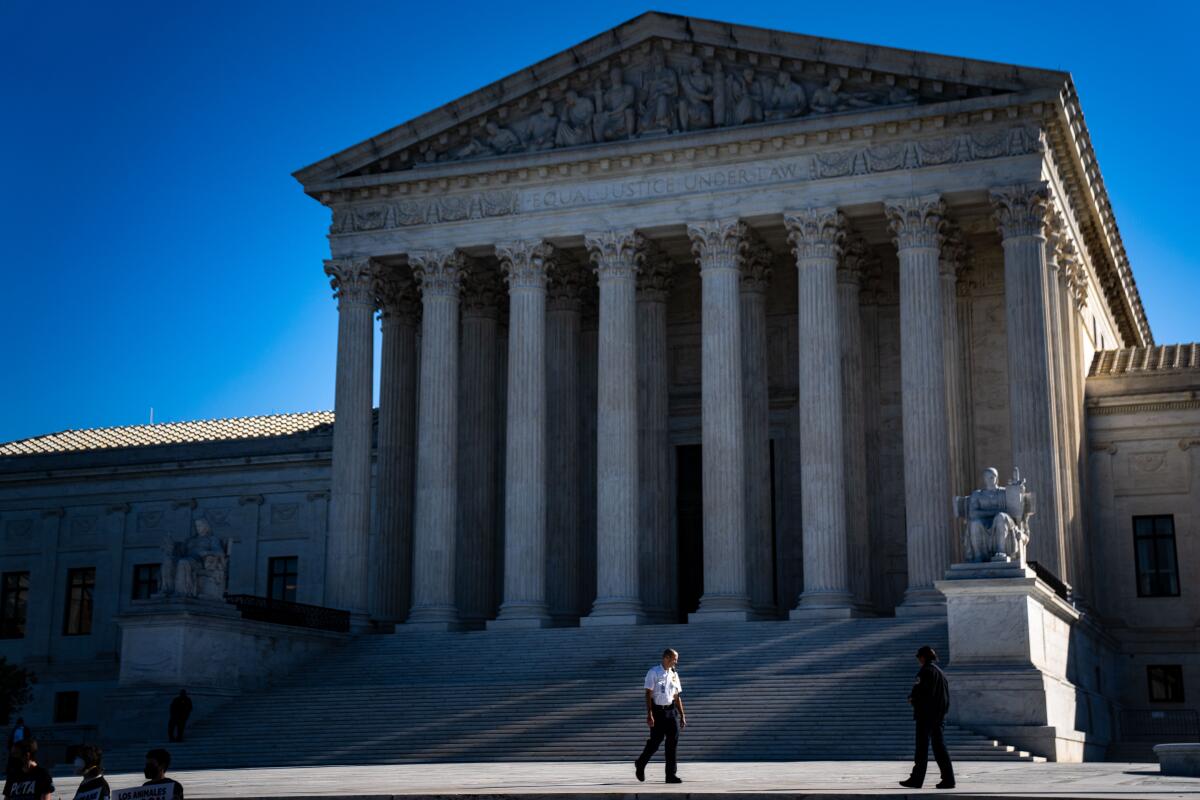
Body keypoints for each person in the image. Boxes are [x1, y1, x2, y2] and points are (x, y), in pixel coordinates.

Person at [900, 645, 955, 789]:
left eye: (919, 657)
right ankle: (949, 779)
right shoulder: (941, 672)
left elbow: (919, 693)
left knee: (921, 749)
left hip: (926, 716)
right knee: (940, 749)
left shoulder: (925, 671)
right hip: (939, 716)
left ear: (923, 657)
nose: (918, 659)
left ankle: (916, 779)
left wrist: (912, 700)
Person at [634, 648, 686, 784]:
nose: (676, 661)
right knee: (655, 742)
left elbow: (676, 696)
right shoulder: (653, 672)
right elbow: (648, 693)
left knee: (672, 744)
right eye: (675, 659)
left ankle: (670, 775)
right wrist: (649, 713)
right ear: (667, 658)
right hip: (658, 712)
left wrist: (682, 715)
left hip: (671, 712)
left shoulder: (674, 674)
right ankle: (641, 763)